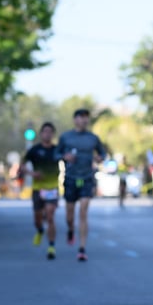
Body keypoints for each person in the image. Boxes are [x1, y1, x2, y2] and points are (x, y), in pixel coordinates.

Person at [56, 108, 106, 262]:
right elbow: (56, 154)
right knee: (70, 216)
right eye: (81, 117)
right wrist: (65, 156)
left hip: (87, 178)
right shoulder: (66, 137)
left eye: (86, 118)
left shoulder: (93, 138)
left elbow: (103, 153)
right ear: (75, 119)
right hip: (70, 178)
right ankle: (71, 229)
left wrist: (99, 158)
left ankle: (82, 248)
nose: (84, 120)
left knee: (83, 212)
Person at [23, 122, 61, 260]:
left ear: (53, 134)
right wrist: (33, 174)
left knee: (50, 216)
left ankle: (51, 246)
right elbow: (22, 166)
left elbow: (68, 162)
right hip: (38, 189)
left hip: (52, 188)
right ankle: (39, 230)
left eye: (50, 131)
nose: (48, 134)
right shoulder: (34, 150)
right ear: (41, 134)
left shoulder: (57, 150)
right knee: (37, 219)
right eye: (45, 131)